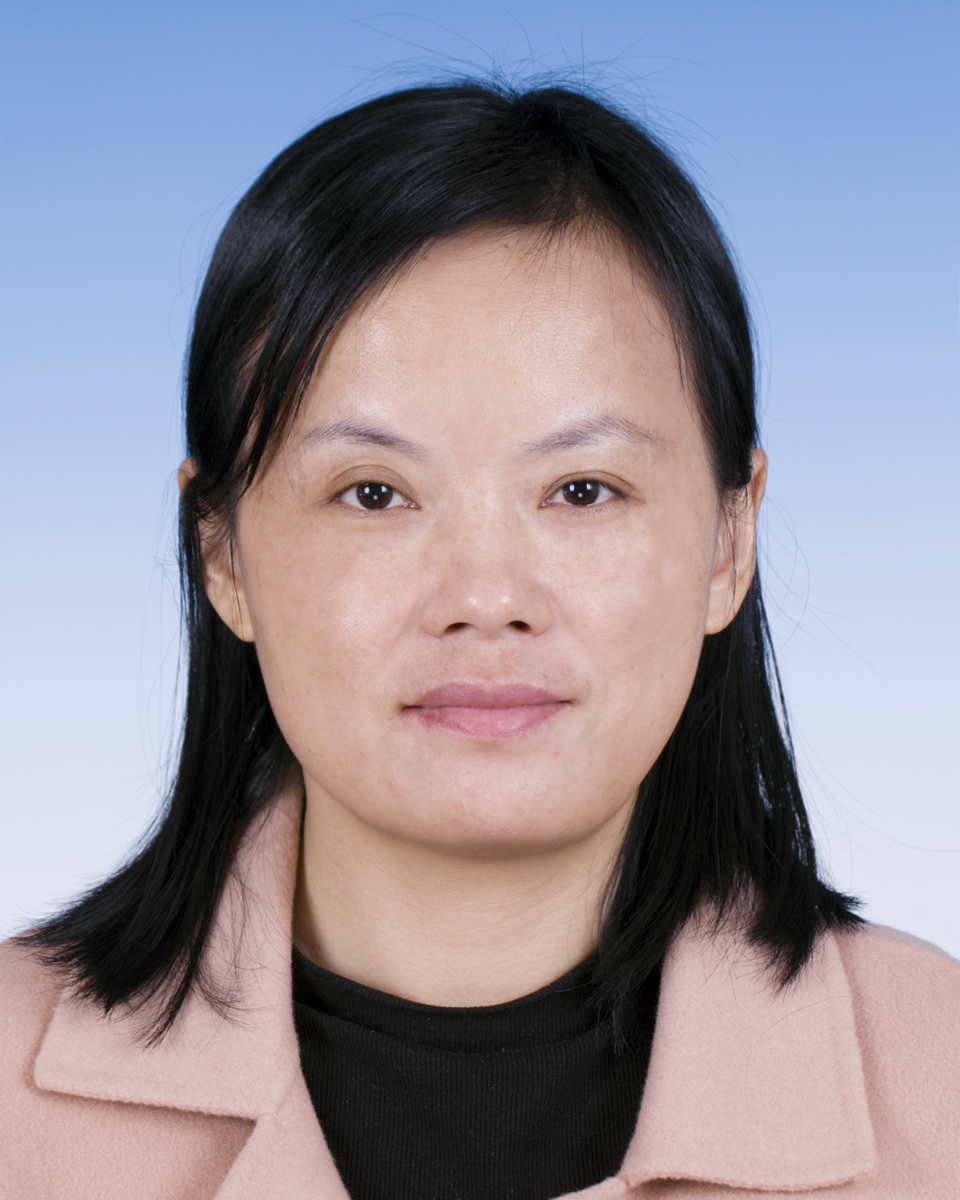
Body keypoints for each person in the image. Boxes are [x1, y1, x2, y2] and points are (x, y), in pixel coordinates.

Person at [0, 80, 957, 1200]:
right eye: (372, 493)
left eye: (584, 489)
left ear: (728, 542)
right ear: (222, 556)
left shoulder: (938, 1077)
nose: (488, 597)